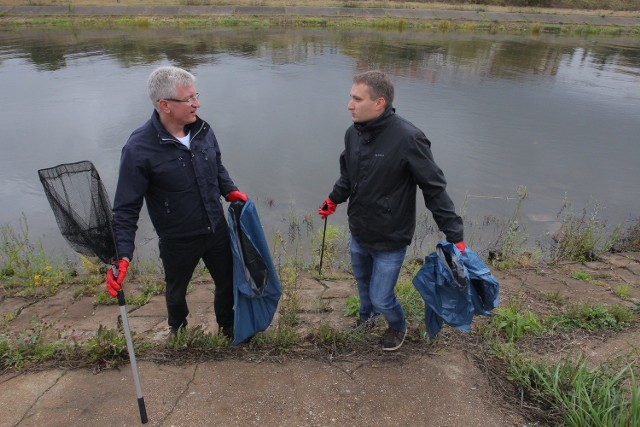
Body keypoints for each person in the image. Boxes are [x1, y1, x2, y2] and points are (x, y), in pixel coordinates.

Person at [318, 70, 465, 351]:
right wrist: (332, 201)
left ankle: (397, 325)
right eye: (351, 98)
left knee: (382, 296)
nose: (349, 105)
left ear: (379, 103)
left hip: (390, 238)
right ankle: (367, 317)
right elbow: (348, 178)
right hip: (359, 230)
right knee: (363, 284)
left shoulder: (409, 139)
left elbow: (433, 188)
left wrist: (454, 233)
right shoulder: (353, 134)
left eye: (356, 99)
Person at [105, 65, 247, 339]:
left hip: (215, 227)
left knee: (227, 282)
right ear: (165, 105)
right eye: (189, 99)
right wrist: (121, 254)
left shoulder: (203, 130)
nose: (197, 103)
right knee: (176, 288)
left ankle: (228, 328)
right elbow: (125, 208)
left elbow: (216, 165)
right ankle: (178, 330)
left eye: (196, 95)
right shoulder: (139, 148)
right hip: (177, 237)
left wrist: (229, 190)